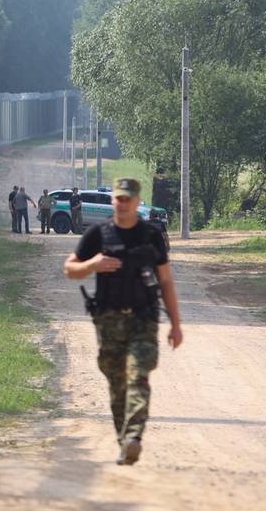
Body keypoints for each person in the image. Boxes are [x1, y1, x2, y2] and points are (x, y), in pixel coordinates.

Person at [63, 178, 183, 466]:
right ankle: (124, 442)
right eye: (119, 198)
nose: (124, 202)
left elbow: (165, 281)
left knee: (138, 376)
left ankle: (134, 437)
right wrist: (92, 265)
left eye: (129, 198)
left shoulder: (151, 236)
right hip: (108, 321)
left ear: (138, 201)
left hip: (144, 319)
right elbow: (70, 269)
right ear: (114, 200)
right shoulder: (98, 234)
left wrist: (176, 325)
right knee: (117, 385)